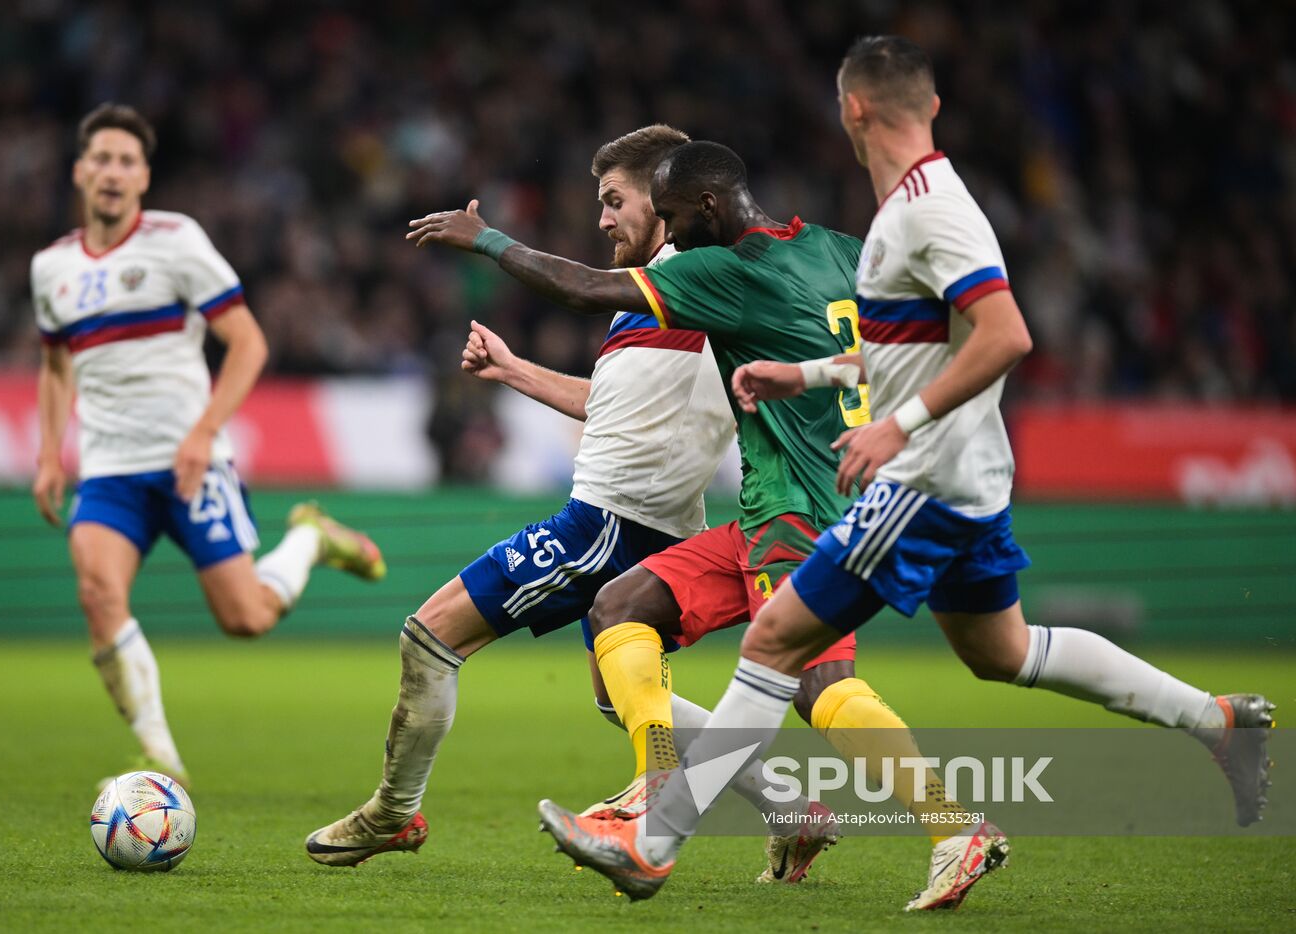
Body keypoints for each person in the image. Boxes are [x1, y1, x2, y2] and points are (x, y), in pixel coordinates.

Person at [536, 35, 1276, 910]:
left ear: (855, 110)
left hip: (917, 482)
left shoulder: (924, 214)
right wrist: (805, 375)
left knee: (787, 656)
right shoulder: (888, 221)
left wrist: (900, 428)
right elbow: (899, 352)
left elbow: (1004, 337)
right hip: (964, 479)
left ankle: (658, 844)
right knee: (1004, 652)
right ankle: (1213, 721)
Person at [406, 139, 984, 871]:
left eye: (671, 217)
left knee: (822, 690)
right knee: (618, 607)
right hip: (779, 513)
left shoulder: (725, 272)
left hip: (802, 517)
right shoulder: (839, 249)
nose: (671, 237)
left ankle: (953, 825)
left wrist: (485, 240)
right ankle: (664, 786)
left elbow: (582, 287)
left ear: (706, 206)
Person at [305, 125, 840, 884]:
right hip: (643, 523)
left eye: (615, 201)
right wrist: (516, 370)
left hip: (612, 522)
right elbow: (616, 404)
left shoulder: (702, 273)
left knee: (430, 636)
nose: (603, 218)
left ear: (667, 202)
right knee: (617, 694)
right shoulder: (662, 292)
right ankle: (791, 807)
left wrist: (486, 238)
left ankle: (395, 812)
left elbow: (576, 285)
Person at [31, 103, 385, 788]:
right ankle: (162, 758)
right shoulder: (52, 268)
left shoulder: (176, 242)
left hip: (191, 463)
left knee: (245, 617)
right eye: (100, 158)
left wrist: (201, 433)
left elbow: (249, 342)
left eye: (126, 161)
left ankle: (310, 538)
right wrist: (50, 451)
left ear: (143, 177)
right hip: (108, 470)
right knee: (98, 593)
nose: (112, 171)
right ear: (80, 172)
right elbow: (54, 365)